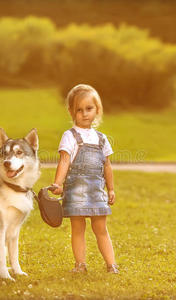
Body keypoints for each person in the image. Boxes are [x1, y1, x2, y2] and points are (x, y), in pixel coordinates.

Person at [51, 84, 119, 274]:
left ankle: (111, 264)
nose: (84, 114)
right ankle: (80, 264)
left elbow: (107, 165)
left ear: (97, 109)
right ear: (71, 111)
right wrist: (57, 183)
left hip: (96, 191)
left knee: (101, 228)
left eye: (89, 109)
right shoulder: (70, 136)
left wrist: (111, 189)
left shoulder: (101, 138)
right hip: (75, 191)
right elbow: (64, 161)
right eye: (79, 110)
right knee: (78, 229)